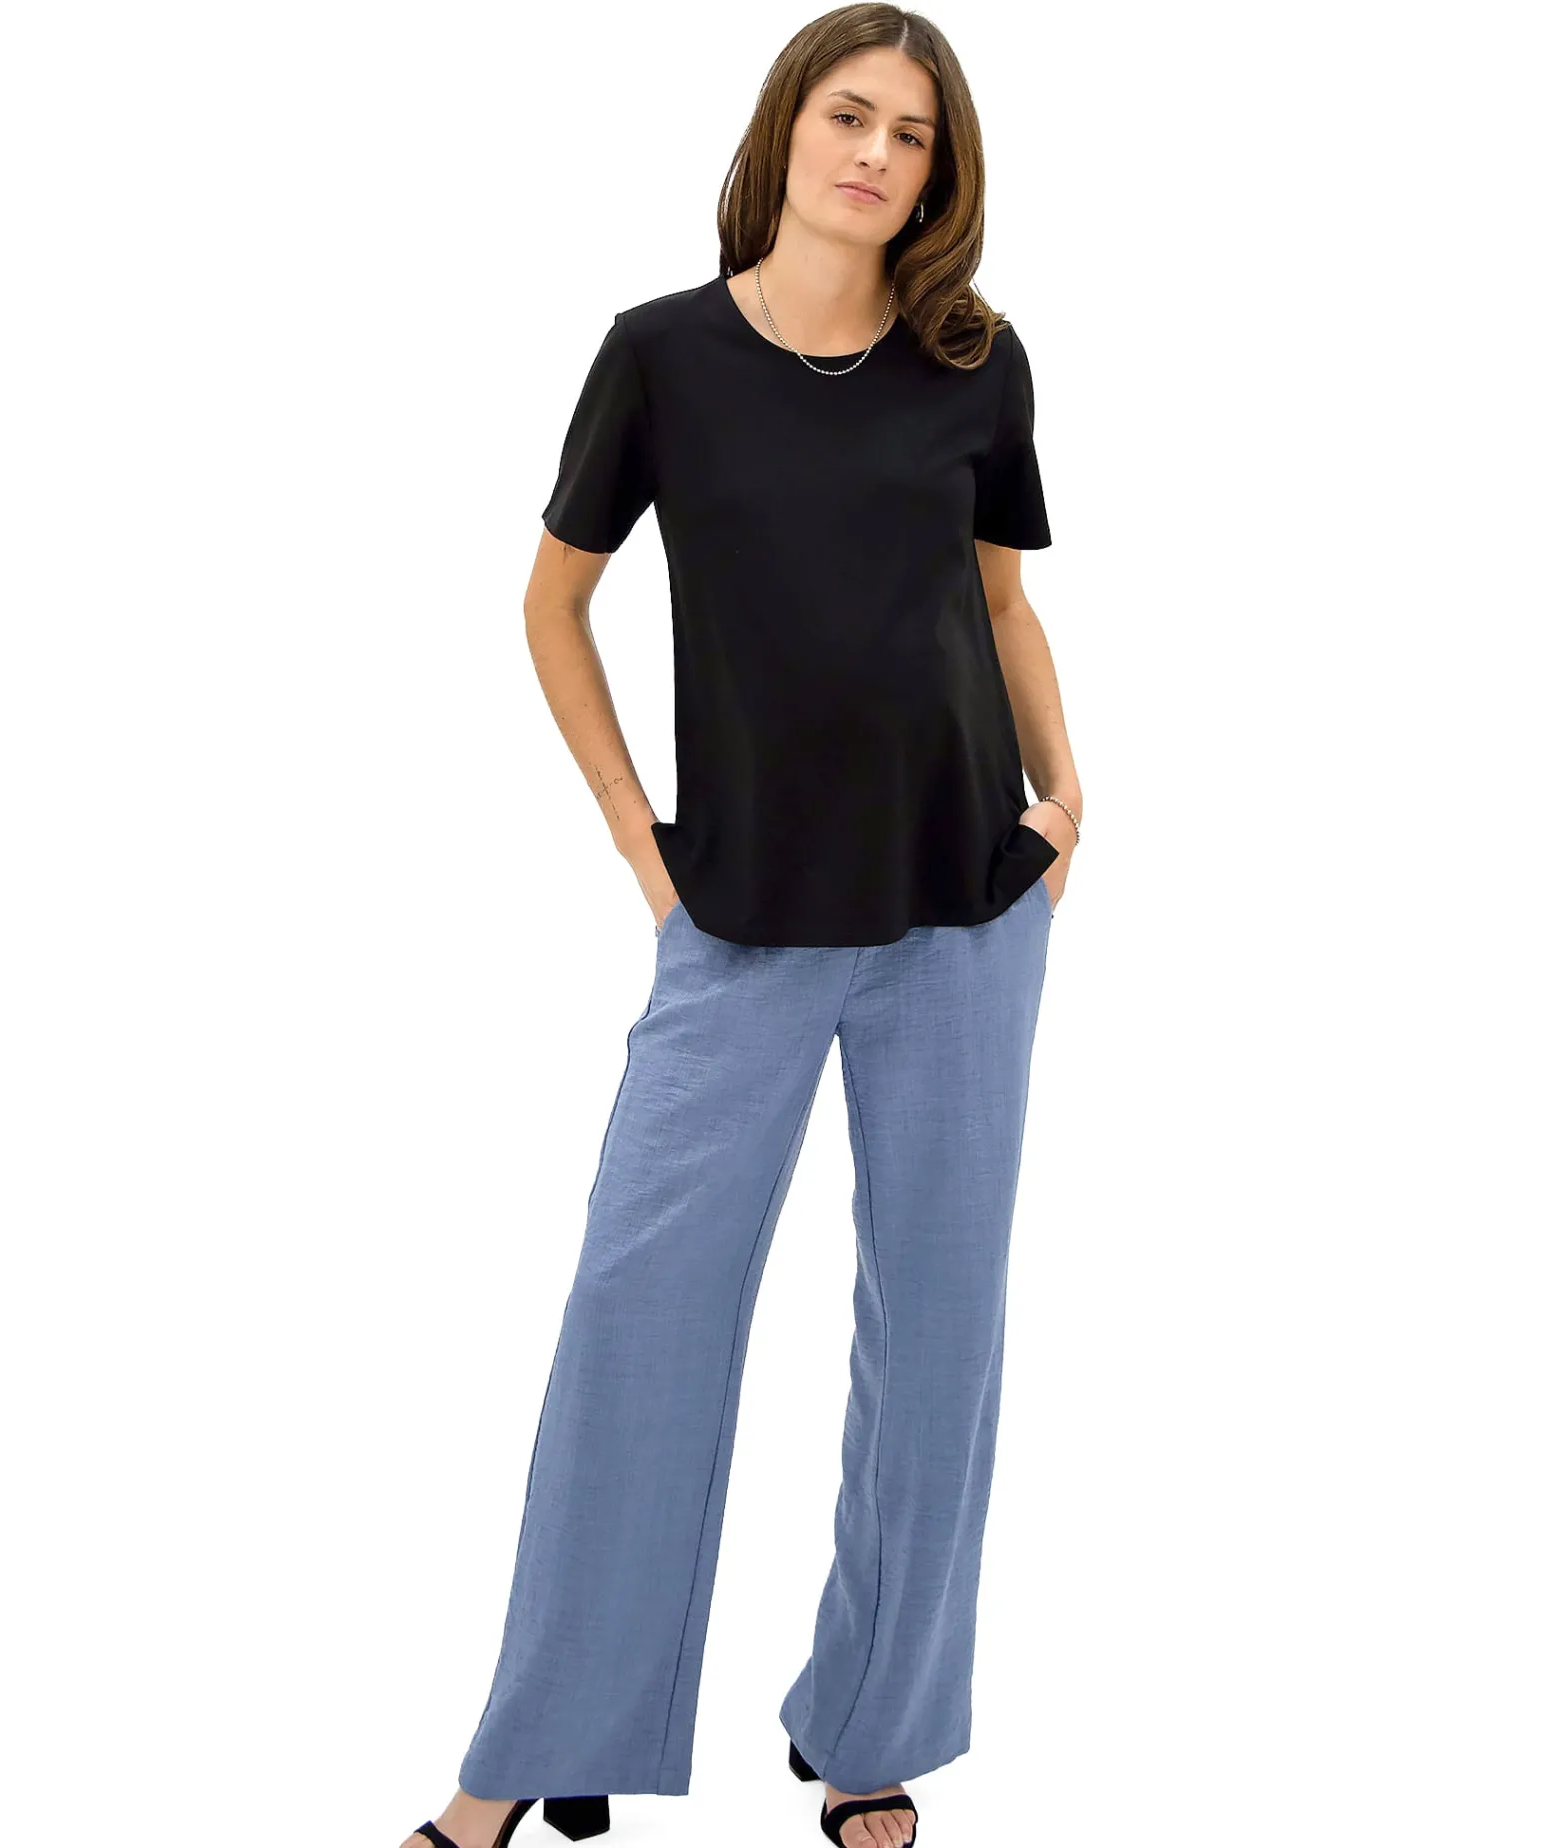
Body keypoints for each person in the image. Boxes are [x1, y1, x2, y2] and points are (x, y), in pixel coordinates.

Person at [400, 11, 1081, 1848]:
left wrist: (1067, 799)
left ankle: (870, 1732)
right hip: (743, 919)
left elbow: (1001, 605)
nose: (877, 155)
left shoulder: (976, 361)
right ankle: (537, 1745)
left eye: (915, 137)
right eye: (850, 116)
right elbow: (552, 606)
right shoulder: (662, 357)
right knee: (639, 1315)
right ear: (786, 127)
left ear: (938, 178)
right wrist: (643, 843)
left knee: (937, 1340)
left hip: (963, 914)